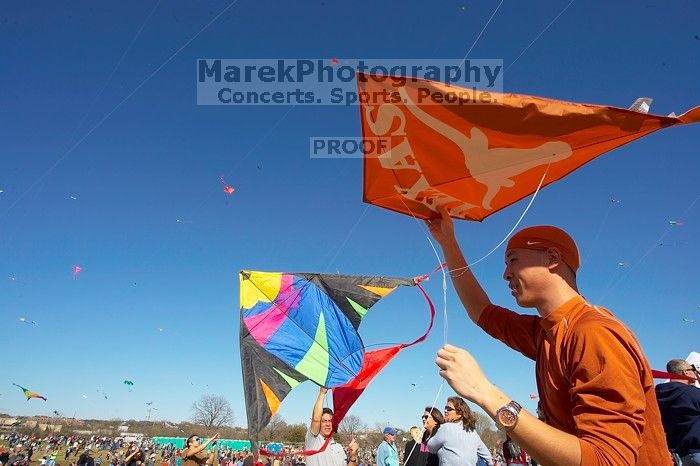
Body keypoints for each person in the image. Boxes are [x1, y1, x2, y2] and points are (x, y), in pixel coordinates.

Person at [427, 210, 671, 466]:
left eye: (513, 260)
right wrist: (448, 243)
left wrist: (486, 393)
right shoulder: (546, 332)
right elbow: (482, 312)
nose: (505, 274)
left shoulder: (594, 333)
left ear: (552, 258)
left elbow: (607, 460)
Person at [655, 359, 700, 465]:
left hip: (677, 457)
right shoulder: (693, 394)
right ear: (686, 372)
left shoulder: (655, 395)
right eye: (693, 369)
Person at [426, 396, 492, 466]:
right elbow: (487, 456)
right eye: (445, 408)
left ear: (459, 414)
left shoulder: (446, 428)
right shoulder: (473, 432)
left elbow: (431, 448)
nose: (445, 411)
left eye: (449, 409)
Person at [305, 387, 358, 466]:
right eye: (324, 421)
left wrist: (353, 457)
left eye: (330, 421)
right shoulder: (313, 440)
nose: (328, 424)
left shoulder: (339, 447)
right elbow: (315, 420)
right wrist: (322, 393)